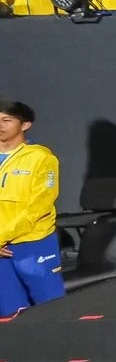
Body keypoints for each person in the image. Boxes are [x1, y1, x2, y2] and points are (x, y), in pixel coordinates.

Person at [0, 101, 64, 317]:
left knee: (51, 308)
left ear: (25, 125)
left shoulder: (41, 158)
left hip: (33, 244)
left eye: (6, 120)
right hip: (1, 248)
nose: (0, 125)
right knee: (10, 312)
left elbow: (39, 206)